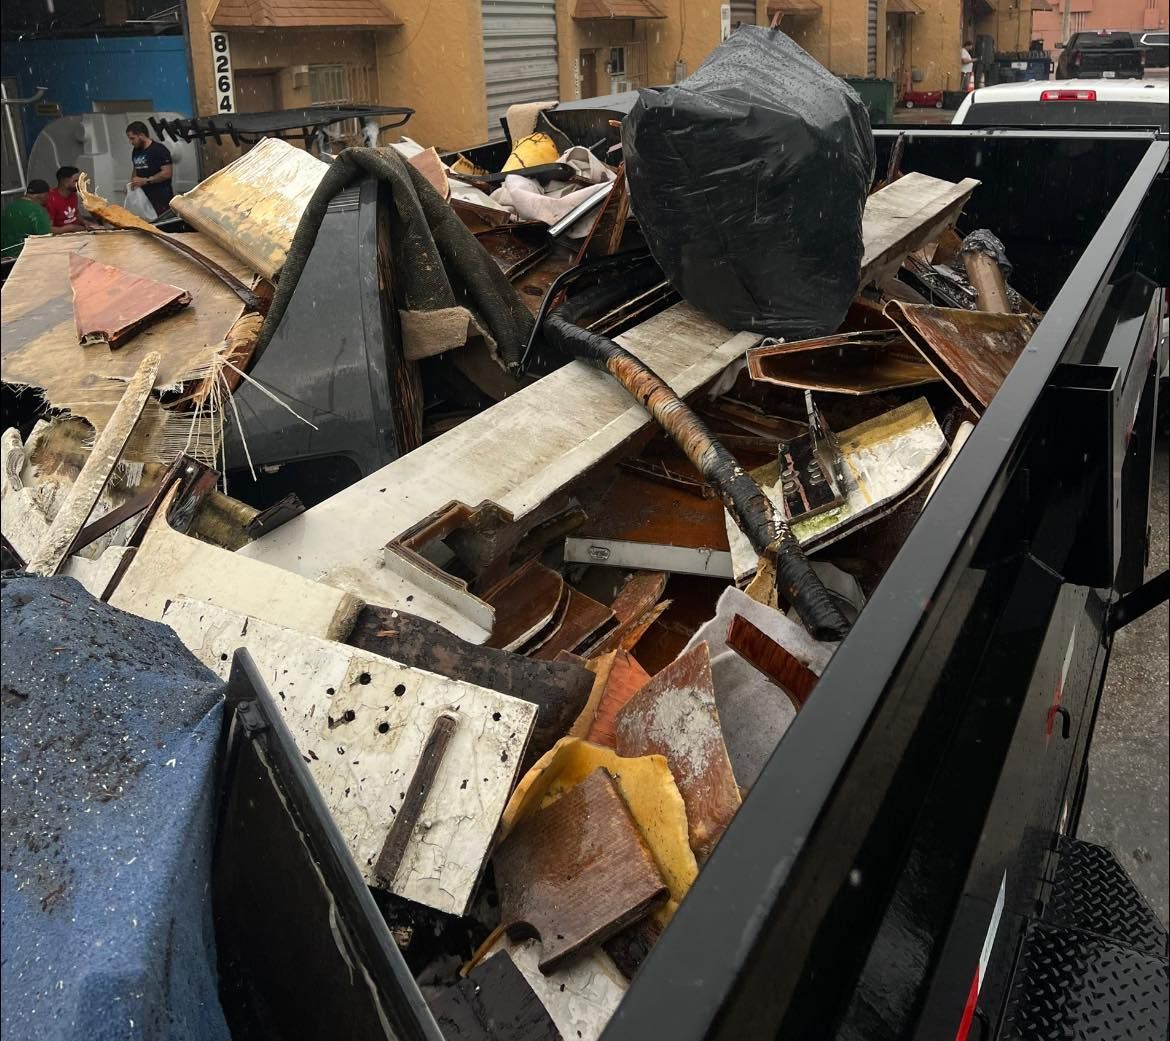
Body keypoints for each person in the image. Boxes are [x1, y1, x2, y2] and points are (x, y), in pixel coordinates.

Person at [126, 120, 174, 217]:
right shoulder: (136, 150)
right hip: (143, 198)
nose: (130, 142)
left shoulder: (159, 150)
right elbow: (136, 168)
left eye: (132, 138)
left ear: (141, 135)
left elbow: (167, 173)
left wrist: (145, 181)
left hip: (160, 199)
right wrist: (132, 183)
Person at [1, 179, 51, 259]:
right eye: (48, 195)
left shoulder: (9, 207)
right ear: (43, 195)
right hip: (25, 257)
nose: (48, 198)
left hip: (5, 258)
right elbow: (46, 238)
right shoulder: (37, 210)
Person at [45, 166, 93, 233]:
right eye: (76, 181)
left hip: (77, 232)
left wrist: (84, 222)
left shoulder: (73, 194)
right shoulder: (50, 199)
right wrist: (71, 228)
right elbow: (47, 229)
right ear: (64, 181)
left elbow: (75, 212)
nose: (79, 184)